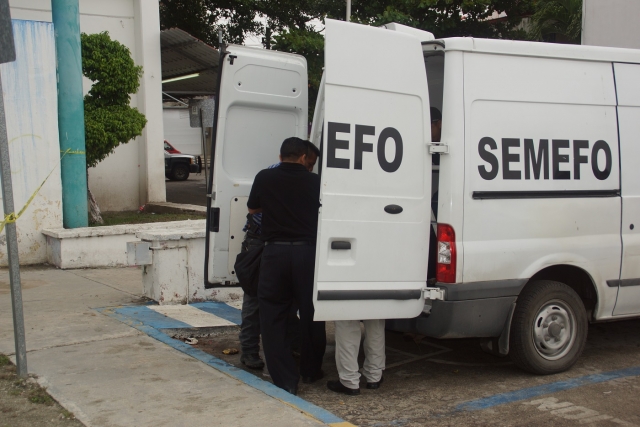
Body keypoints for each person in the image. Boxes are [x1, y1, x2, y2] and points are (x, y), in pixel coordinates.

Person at [247, 137, 325, 395]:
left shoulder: (264, 177)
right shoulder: (316, 182)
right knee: (312, 313)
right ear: (303, 157)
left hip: (275, 253)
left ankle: (285, 379)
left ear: (280, 157)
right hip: (307, 253)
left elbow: (252, 208)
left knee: (273, 317)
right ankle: (311, 370)